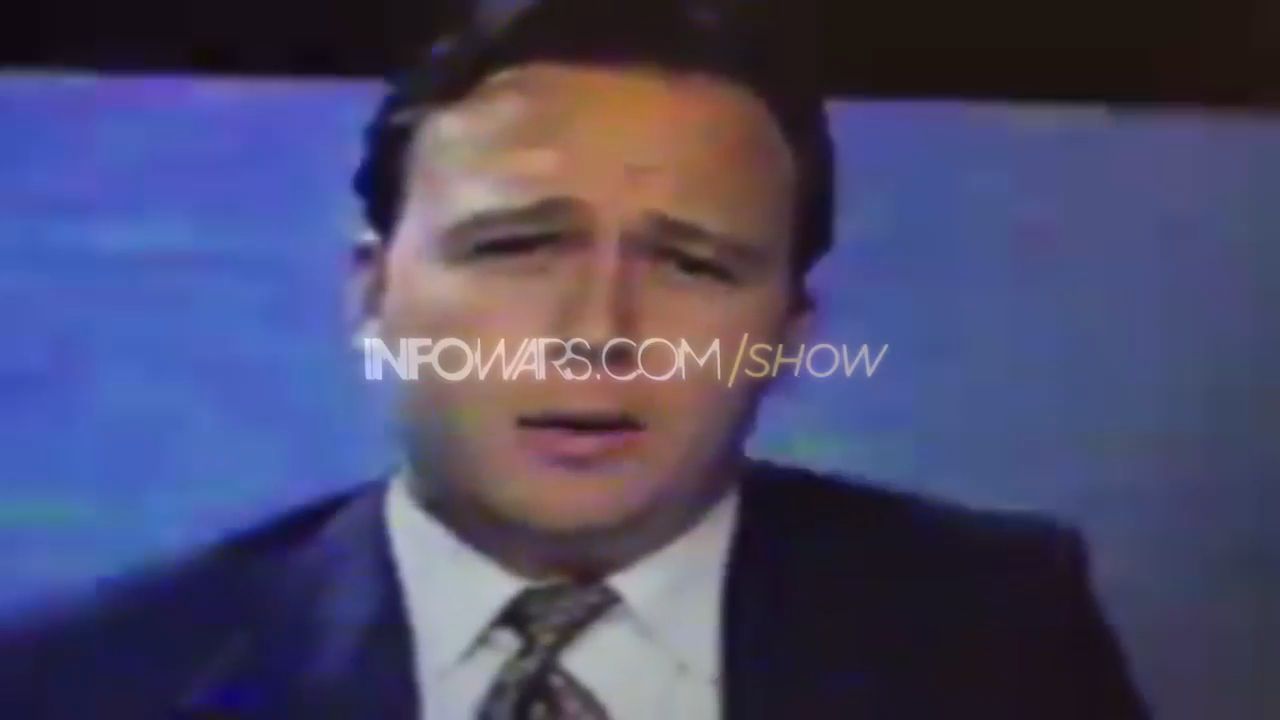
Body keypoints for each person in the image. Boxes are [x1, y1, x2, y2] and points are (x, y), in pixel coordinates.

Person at [0, 1, 1150, 717]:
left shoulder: (992, 632)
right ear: (373, 296)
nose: (597, 327)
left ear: (786, 338)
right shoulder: (93, 679)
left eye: (692, 264)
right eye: (515, 247)